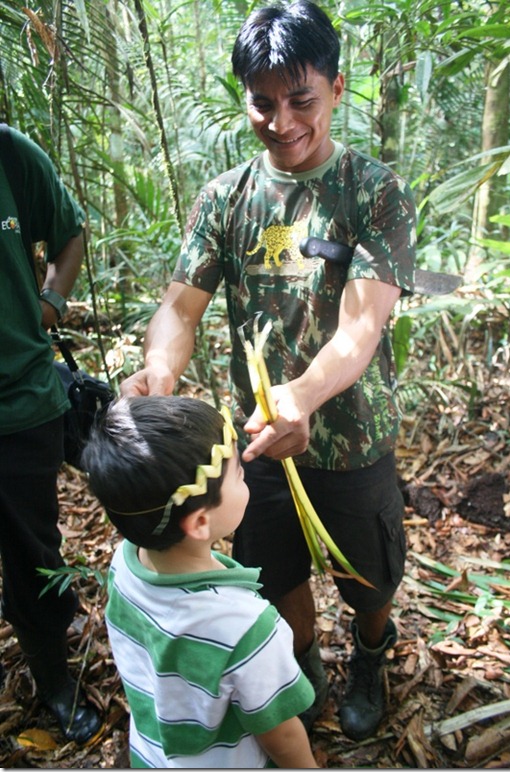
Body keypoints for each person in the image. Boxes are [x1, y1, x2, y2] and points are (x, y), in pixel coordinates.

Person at [121, 0, 416, 742]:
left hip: (350, 435)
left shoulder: (372, 192)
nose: (281, 121)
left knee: (366, 573)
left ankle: (370, 658)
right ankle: (303, 665)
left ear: (337, 89)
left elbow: (361, 324)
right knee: (274, 567)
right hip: (254, 440)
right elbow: (180, 308)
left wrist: (303, 395)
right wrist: (158, 368)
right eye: (262, 102)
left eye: (301, 101)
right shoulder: (225, 198)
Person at [82, 395, 318, 768]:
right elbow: (282, 734)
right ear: (200, 523)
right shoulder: (246, 626)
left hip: (152, 755)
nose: (245, 478)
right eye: (239, 474)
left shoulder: (124, 564)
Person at [0, 126, 102, 744]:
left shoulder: (11, 156)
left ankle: (53, 681)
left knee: (33, 554)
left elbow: (70, 234)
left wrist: (51, 303)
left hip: (19, 402)